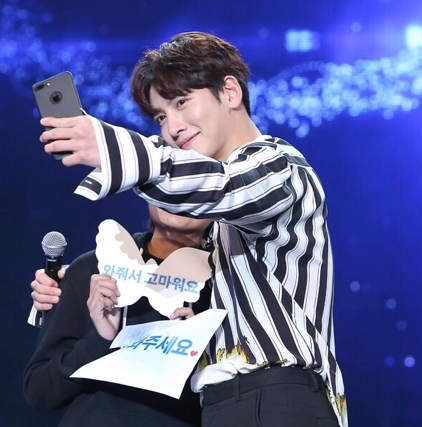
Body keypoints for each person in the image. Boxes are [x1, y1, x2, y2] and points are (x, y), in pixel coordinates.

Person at [39, 32, 347, 426]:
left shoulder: (277, 165)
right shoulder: (221, 229)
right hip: (225, 405)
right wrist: (62, 287)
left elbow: (219, 187)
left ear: (230, 92)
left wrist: (113, 148)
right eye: (161, 116)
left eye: (181, 102)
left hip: (274, 397)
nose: (172, 127)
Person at [24, 205, 212, 426]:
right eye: (169, 187)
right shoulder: (95, 270)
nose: (179, 197)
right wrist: (99, 340)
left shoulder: (227, 285)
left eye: (196, 189)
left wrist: (203, 355)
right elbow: (40, 392)